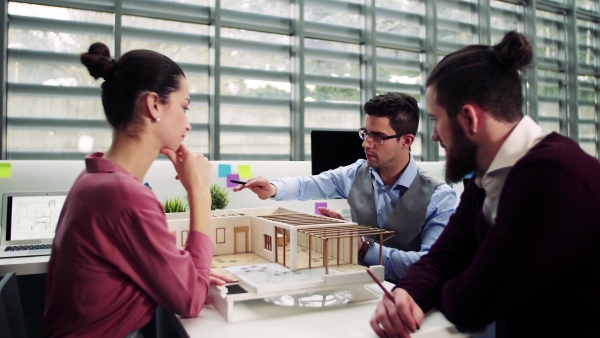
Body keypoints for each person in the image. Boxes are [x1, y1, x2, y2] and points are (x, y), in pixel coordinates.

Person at [370, 31, 600, 338]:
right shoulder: (485, 175)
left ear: (469, 119)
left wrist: (437, 289)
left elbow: (472, 303)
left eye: (437, 119)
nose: (435, 135)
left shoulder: (552, 177)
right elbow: (445, 256)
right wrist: (408, 293)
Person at [43, 43, 232, 337]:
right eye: (184, 107)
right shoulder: (125, 196)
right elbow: (190, 301)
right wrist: (199, 191)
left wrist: (189, 275)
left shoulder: (93, 178)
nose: (188, 124)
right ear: (154, 104)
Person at [233, 92, 458, 283]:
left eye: (378, 136)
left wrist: (362, 247)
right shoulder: (355, 174)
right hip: (357, 284)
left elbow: (430, 265)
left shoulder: (439, 197)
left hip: (410, 299)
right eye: (366, 133)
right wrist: (272, 188)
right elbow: (307, 185)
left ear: (407, 141)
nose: (365, 143)